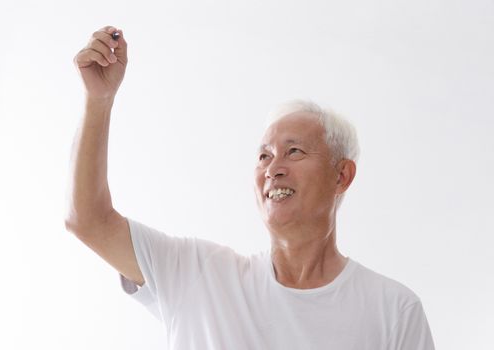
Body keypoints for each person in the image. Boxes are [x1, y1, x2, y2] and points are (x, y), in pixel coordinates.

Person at [66, 25, 435, 349]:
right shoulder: (198, 275)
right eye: (263, 157)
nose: (274, 168)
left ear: (342, 176)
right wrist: (98, 102)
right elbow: (88, 221)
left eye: (294, 151)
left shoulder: (394, 311)